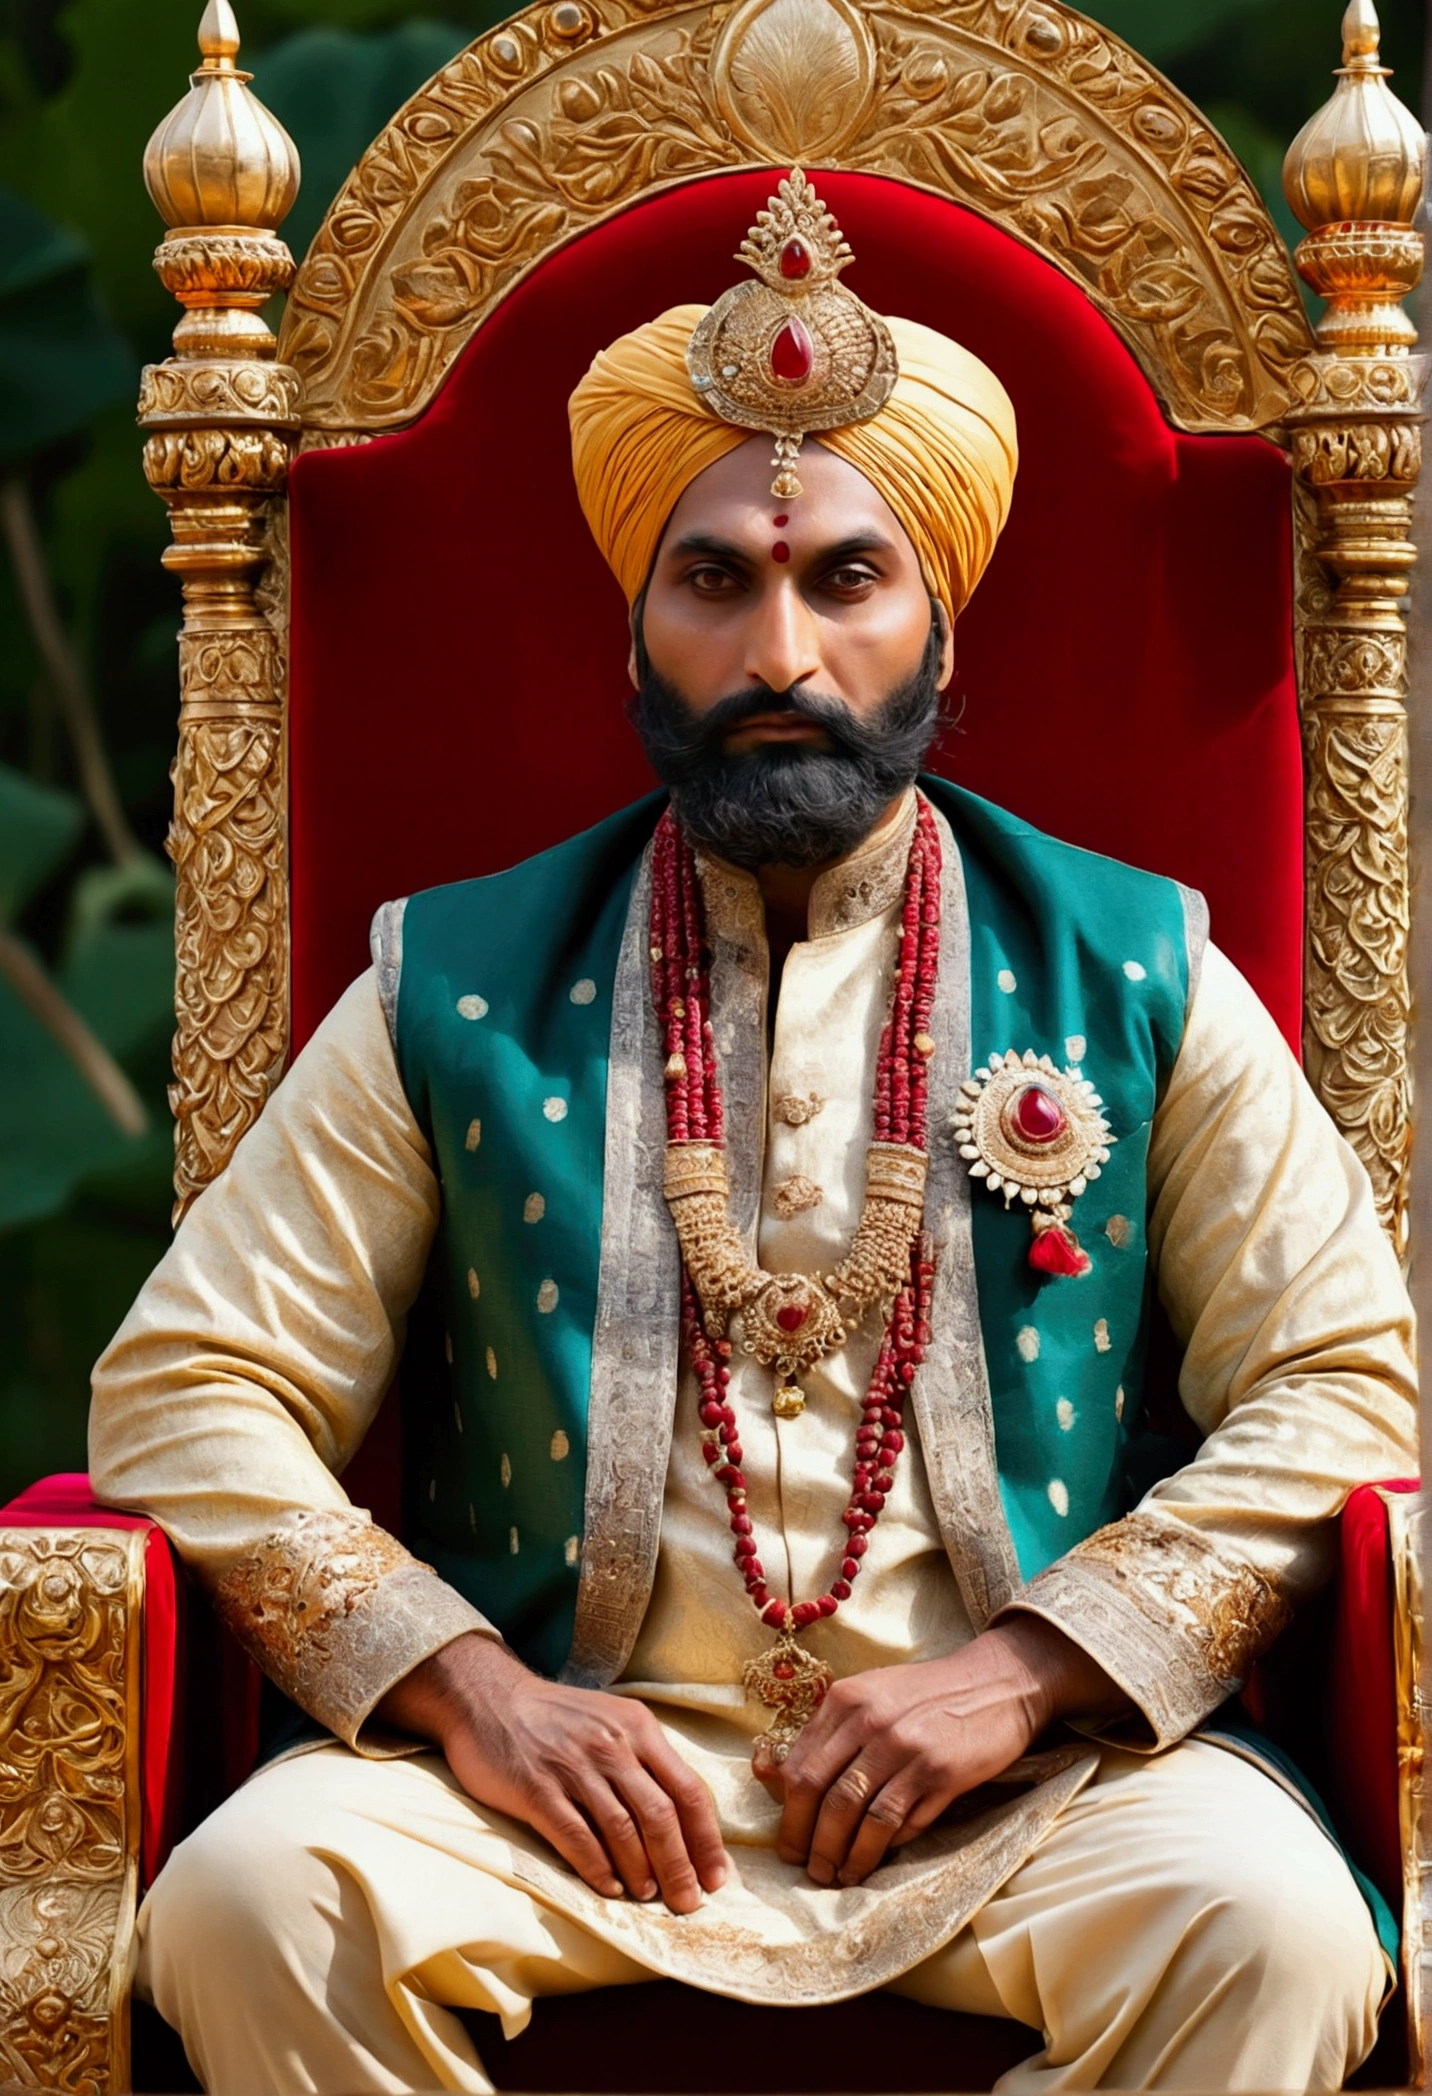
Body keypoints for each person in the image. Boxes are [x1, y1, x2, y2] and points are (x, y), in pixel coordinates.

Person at [91, 173, 1414, 2096]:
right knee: (250, 1905)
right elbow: (188, 1385)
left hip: (1027, 1794)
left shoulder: (1137, 973)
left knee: (1267, 1929)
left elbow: (1346, 1378)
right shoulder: (451, 984)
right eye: (714, 579)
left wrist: (1026, 1672)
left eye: (844, 579)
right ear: (639, 637)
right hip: (558, 1787)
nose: (778, 649)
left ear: (941, 636)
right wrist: (475, 1698)